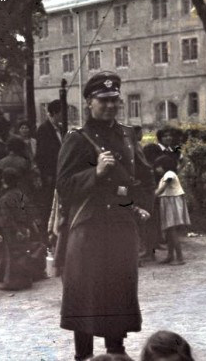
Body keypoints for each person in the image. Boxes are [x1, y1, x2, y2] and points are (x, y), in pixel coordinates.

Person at [56, 71, 152, 359]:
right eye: (103, 100)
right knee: (85, 294)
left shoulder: (127, 133)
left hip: (121, 226)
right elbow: (63, 186)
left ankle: (116, 352)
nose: (110, 105)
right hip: (89, 227)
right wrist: (94, 173)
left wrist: (141, 204)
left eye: (114, 99)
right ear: (89, 102)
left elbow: (143, 177)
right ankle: (83, 356)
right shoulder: (77, 138)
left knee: (119, 289)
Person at [0, 168, 38, 291]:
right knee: (22, 253)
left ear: (4, 181)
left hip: (11, 229)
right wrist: (28, 227)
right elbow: (29, 212)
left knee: (10, 255)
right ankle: (26, 280)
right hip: (24, 227)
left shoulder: (5, 198)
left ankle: (10, 282)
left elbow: (7, 217)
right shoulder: (22, 195)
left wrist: (16, 230)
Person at [154, 155, 190, 265]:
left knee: (172, 230)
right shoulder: (165, 175)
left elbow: (164, 187)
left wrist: (153, 194)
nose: (156, 169)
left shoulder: (169, 174)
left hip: (172, 203)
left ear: (164, 166)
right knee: (169, 231)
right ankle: (170, 255)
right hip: (167, 202)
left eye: (158, 167)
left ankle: (180, 258)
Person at [35, 99, 64, 225]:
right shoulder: (44, 129)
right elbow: (42, 154)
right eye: (62, 113)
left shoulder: (61, 129)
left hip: (60, 172)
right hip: (50, 174)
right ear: (55, 113)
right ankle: (46, 227)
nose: (63, 116)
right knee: (48, 201)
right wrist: (46, 174)